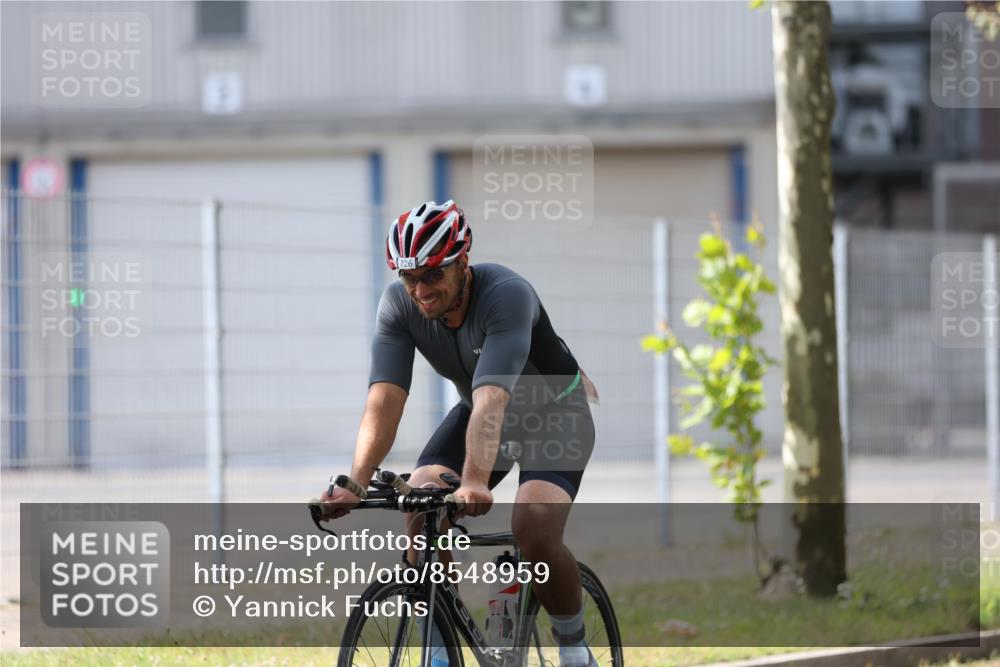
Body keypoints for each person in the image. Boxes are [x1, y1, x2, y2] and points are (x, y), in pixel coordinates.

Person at [321, 200, 598, 667]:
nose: (421, 289)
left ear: (462, 263)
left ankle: (574, 647)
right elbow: (385, 399)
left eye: (433, 275)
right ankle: (441, 646)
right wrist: (355, 481)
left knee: (532, 527)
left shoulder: (507, 294)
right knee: (419, 500)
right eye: (410, 278)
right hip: (481, 414)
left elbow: (493, 397)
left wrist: (473, 478)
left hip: (555, 415)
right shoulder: (397, 305)